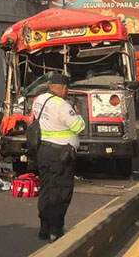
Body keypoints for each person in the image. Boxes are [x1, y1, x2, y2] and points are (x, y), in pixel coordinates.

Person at [34, 74, 86, 242]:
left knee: (46, 189)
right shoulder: (62, 105)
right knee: (61, 191)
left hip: (44, 151)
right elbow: (79, 127)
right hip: (60, 155)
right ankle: (55, 230)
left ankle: (44, 228)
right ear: (64, 88)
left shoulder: (39, 99)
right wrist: (77, 114)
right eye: (67, 89)